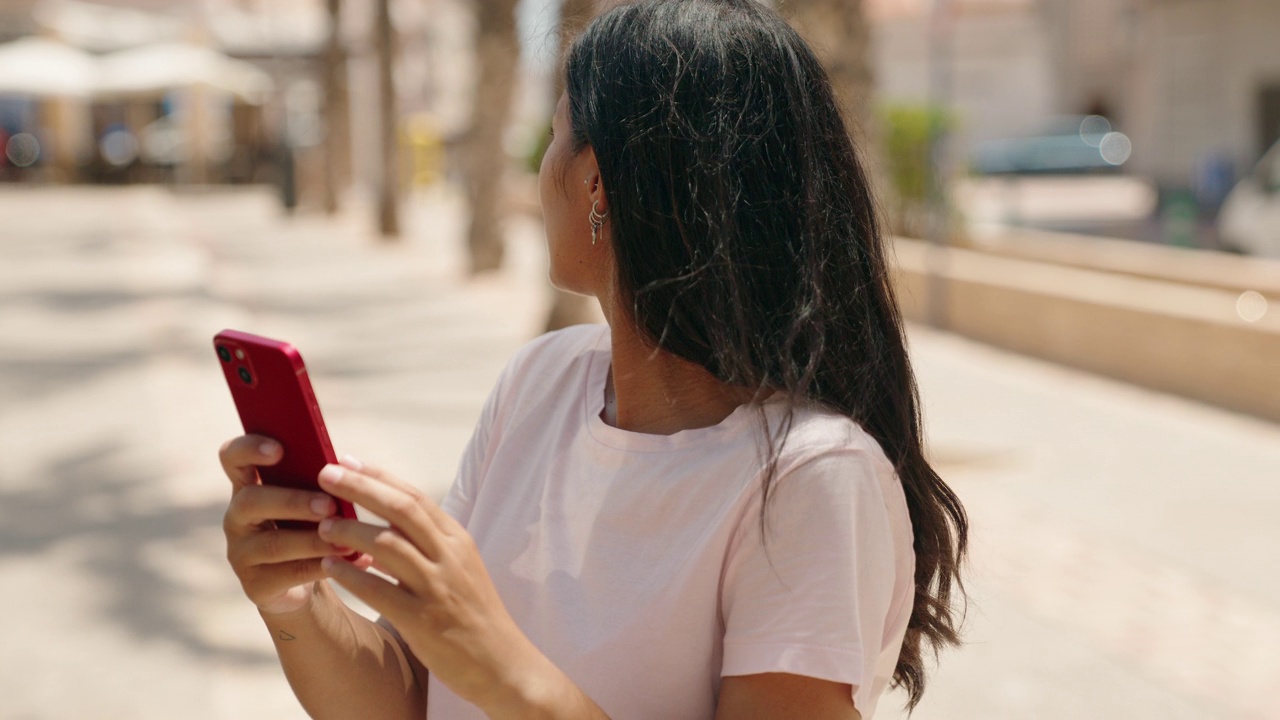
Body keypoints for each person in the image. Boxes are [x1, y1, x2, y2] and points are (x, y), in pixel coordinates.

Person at [218, 1, 967, 717]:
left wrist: (506, 672)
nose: (538, 172)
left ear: (595, 179)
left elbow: (486, 673)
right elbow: (415, 699)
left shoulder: (814, 480)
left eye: (552, 136)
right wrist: (297, 603)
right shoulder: (539, 382)